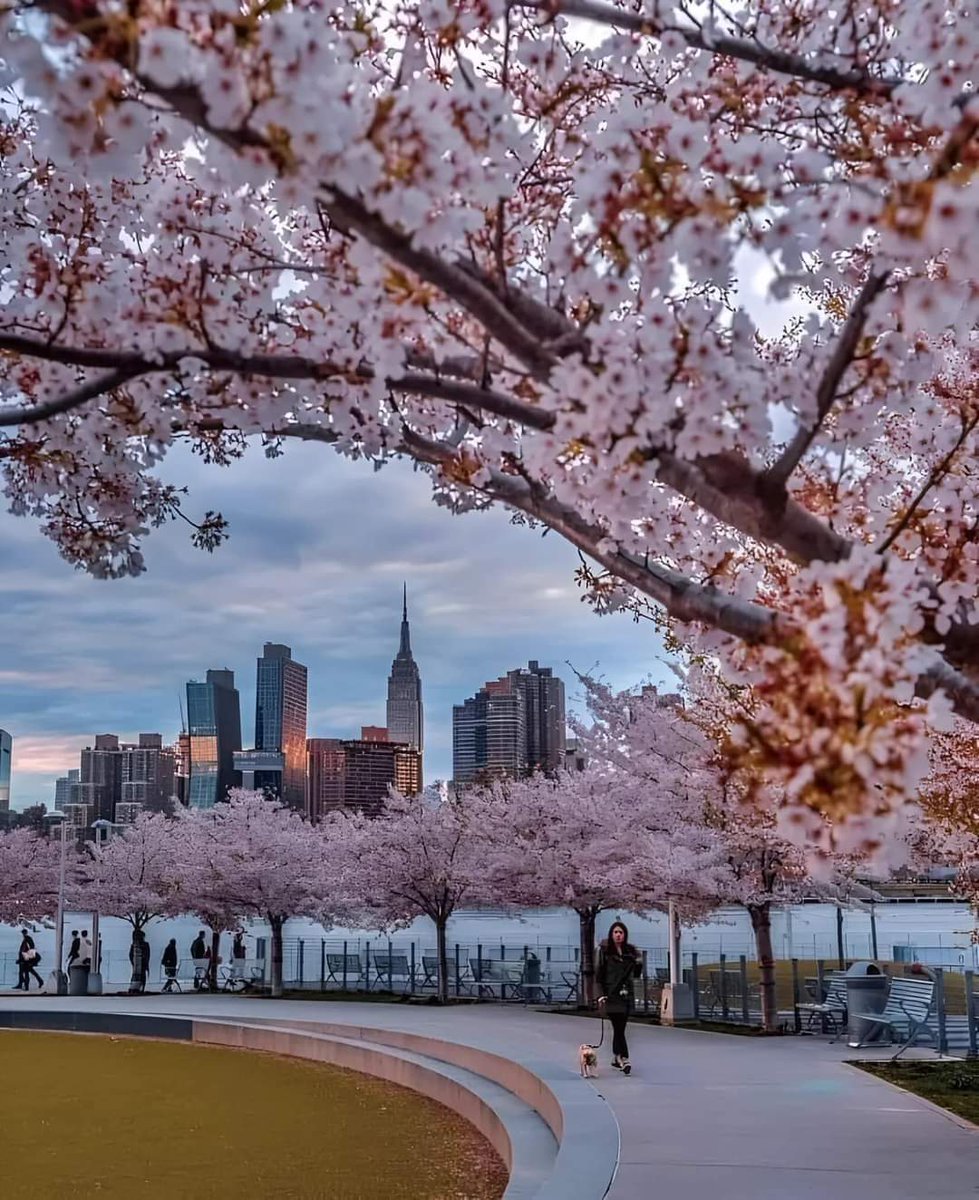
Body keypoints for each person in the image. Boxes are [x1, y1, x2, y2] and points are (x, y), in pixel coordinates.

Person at [596, 920, 642, 1075]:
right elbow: (599, 974)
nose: (618, 935)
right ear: (611, 934)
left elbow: (636, 975)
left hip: (625, 994)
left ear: (625, 934)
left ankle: (617, 1056)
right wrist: (601, 994)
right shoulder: (604, 951)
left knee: (620, 1028)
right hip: (611, 994)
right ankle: (624, 1058)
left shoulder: (630, 953)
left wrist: (638, 963)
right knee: (618, 1027)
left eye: (621, 932)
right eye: (615, 932)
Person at [128, 930, 150, 994]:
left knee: (139, 975)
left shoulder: (135, 945)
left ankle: (138, 988)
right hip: (140, 963)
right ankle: (138, 988)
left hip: (140, 963)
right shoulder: (140, 945)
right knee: (141, 976)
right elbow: (147, 954)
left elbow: (130, 954)